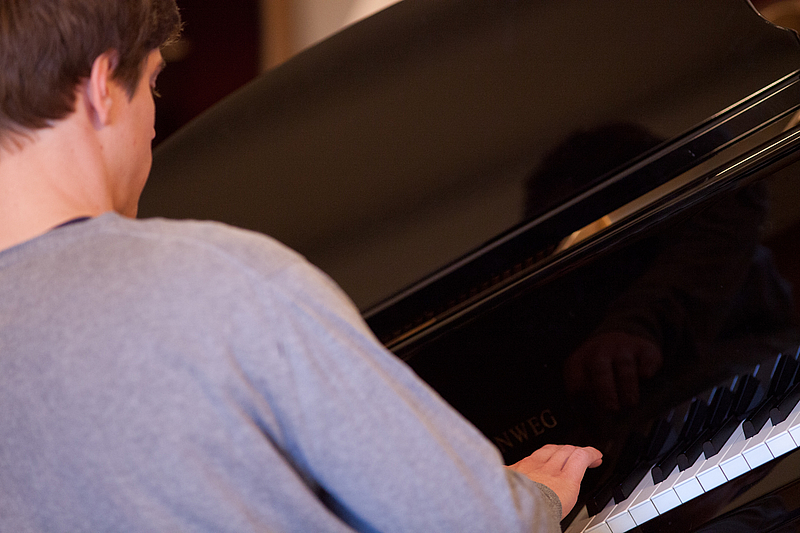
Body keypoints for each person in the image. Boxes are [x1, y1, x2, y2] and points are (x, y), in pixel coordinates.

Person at [0, 1, 601, 531]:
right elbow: (474, 521)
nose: (154, 124)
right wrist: (535, 500)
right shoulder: (211, 278)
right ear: (102, 88)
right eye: (153, 84)